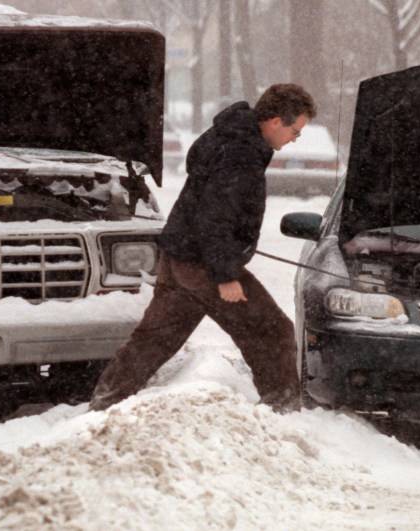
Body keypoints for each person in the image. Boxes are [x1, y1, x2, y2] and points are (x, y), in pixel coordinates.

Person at [89, 84, 317, 413]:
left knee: (154, 339)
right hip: (203, 264)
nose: (294, 139)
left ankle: (103, 404)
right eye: (295, 131)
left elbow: (206, 208)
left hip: (180, 255)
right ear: (276, 120)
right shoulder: (242, 152)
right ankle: (283, 413)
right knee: (272, 332)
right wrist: (226, 275)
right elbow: (216, 217)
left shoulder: (228, 137)